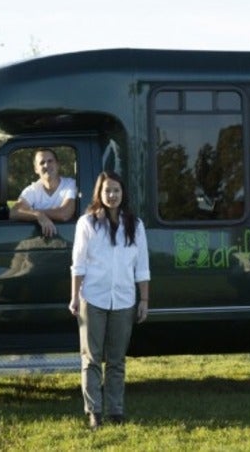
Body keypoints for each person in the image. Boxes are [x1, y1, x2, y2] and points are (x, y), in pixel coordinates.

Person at [69, 171, 150, 430]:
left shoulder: (135, 225)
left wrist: (144, 300)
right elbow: (78, 264)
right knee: (91, 358)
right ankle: (94, 411)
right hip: (92, 299)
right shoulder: (87, 223)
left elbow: (142, 267)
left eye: (116, 190)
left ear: (122, 193)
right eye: (107, 191)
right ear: (99, 193)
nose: (112, 195)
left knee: (116, 360)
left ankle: (116, 411)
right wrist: (74, 297)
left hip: (124, 301)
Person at [10, 148, 78, 237]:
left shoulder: (70, 184)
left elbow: (65, 214)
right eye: (42, 163)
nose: (46, 165)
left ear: (57, 165)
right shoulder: (32, 190)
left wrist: (37, 213)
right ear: (36, 169)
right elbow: (14, 212)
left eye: (50, 161)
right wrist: (38, 215)